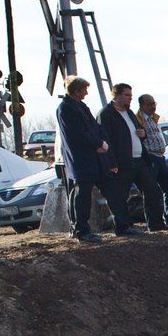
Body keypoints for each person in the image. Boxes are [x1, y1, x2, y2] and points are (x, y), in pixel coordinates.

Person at [98, 82, 165, 234]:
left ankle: (155, 224)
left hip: (139, 160)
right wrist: (112, 162)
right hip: (122, 163)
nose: (130, 99)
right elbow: (105, 140)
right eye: (126, 95)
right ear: (116, 95)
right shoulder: (106, 114)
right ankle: (123, 227)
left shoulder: (129, 113)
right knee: (120, 196)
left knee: (152, 190)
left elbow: (138, 131)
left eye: (130, 96)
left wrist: (143, 133)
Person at [57, 77, 113, 242]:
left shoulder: (80, 106)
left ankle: (81, 227)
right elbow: (77, 134)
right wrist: (98, 143)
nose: (87, 93)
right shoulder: (66, 108)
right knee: (82, 194)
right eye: (84, 89)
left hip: (91, 157)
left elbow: (95, 127)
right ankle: (81, 229)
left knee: (86, 193)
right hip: (80, 159)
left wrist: (102, 141)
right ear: (76, 90)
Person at [135, 93, 168, 226]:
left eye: (154, 104)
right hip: (149, 157)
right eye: (150, 104)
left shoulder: (153, 118)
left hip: (160, 156)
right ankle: (154, 222)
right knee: (151, 191)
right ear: (142, 105)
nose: (153, 106)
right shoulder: (138, 119)